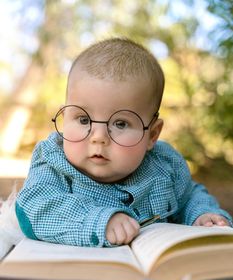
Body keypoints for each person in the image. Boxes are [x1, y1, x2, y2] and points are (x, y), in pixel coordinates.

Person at [15, 37, 232, 247]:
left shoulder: (165, 166)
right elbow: (34, 207)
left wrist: (202, 214)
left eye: (120, 124)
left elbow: (189, 196)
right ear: (64, 119)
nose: (98, 137)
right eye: (83, 119)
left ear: (152, 135)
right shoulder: (53, 160)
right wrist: (99, 221)